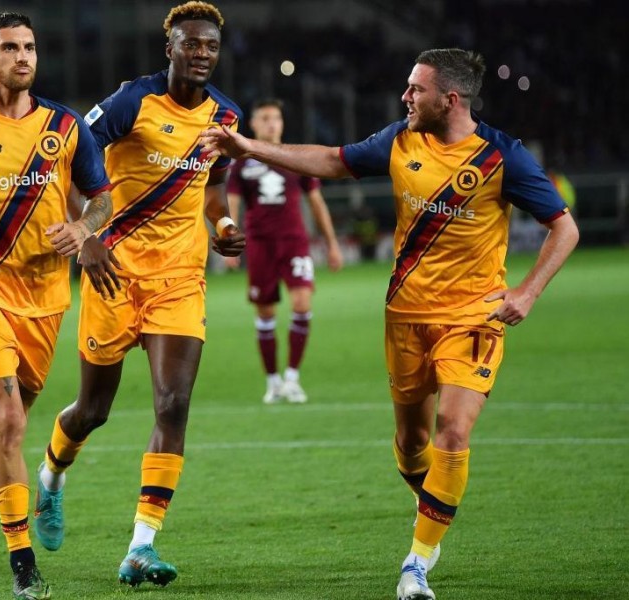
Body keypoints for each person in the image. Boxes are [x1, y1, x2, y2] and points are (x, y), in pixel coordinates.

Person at [200, 48, 579, 600]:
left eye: (415, 90)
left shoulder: (503, 158)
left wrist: (527, 291)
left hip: (473, 317)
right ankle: (433, 504)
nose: (405, 97)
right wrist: (250, 146)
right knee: (411, 443)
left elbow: (563, 229)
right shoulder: (399, 141)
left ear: (449, 99)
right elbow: (331, 160)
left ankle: (416, 564)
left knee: (454, 426)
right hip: (405, 317)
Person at [31, 1, 246, 589]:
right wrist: (87, 236)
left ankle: (140, 547)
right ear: (169, 47)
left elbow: (214, 187)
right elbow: (68, 158)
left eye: (210, 46)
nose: (201, 53)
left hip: (179, 280)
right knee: (92, 410)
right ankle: (51, 477)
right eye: (190, 43)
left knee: (173, 404)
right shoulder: (133, 102)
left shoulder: (226, 115)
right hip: (112, 274)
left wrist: (221, 226)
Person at [0, 12, 118, 600]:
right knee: (11, 421)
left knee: (8, 415)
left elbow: (102, 201)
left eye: (30, 47)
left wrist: (84, 231)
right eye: (9, 48)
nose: (24, 57)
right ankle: (22, 565)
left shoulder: (65, 125)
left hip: (46, 297)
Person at [225, 98, 344, 404]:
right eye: (264, 118)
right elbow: (233, 203)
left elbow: (317, 203)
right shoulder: (240, 163)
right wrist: (230, 241)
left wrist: (331, 244)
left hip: (294, 242)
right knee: (265, 313)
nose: (271, 123)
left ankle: (292, 377)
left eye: (275, 118)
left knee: (302, 304)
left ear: (282, 123)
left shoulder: (297, 158)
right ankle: (272, 381)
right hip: (260, 245)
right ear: (252, 124)